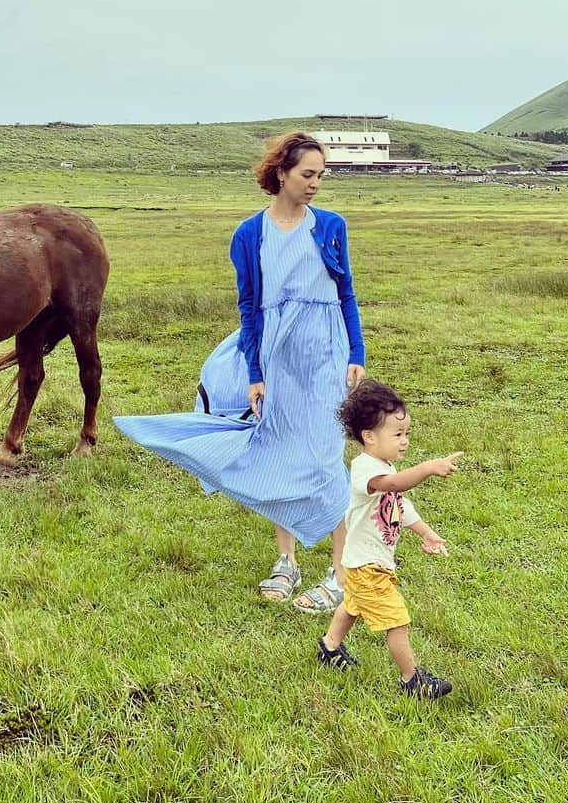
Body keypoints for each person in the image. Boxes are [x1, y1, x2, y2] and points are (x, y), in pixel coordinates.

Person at [114, 130, 366, 613]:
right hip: (276, 353)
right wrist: (255, 370)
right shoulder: (250, 234)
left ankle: (339, 572)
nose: (315, 184)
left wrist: (356, 351)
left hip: (325, 353)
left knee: (324, 454)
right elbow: (249, 307)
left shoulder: (331, 225)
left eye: (320, 175)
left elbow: (346, 292)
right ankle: (286, 561)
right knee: (278, 448)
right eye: (307, 174)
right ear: (281, 174)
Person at [317, 379, 461, 699]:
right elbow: (397, 485)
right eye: (397, 434)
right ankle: (412, 680)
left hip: (363, 563)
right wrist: (427, 468)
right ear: (369, 436)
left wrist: (426, 532)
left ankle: (329, 647)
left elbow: (399, 505)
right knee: (397, 622)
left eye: (407, 433)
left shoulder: (383, 465)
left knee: (352, 606)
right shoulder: (364, 469)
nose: (405, 441)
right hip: (367, 566)